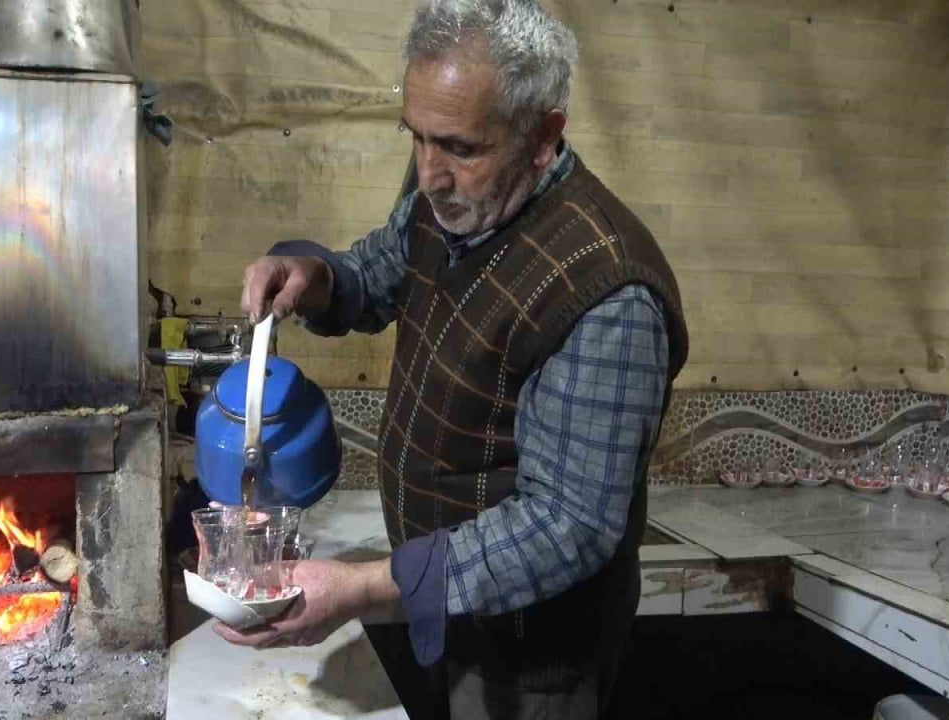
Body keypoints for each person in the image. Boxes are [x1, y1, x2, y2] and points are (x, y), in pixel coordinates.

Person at [215, 1, 689, 717]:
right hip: (439, 598)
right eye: (418, 138)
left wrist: (368, 585)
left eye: (461, 148)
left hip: (533, 652)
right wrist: (314, 277)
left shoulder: (607, 292)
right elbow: (378, 271)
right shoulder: (452, 204)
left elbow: (567, 527)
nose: (430, 175)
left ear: (542, 136)